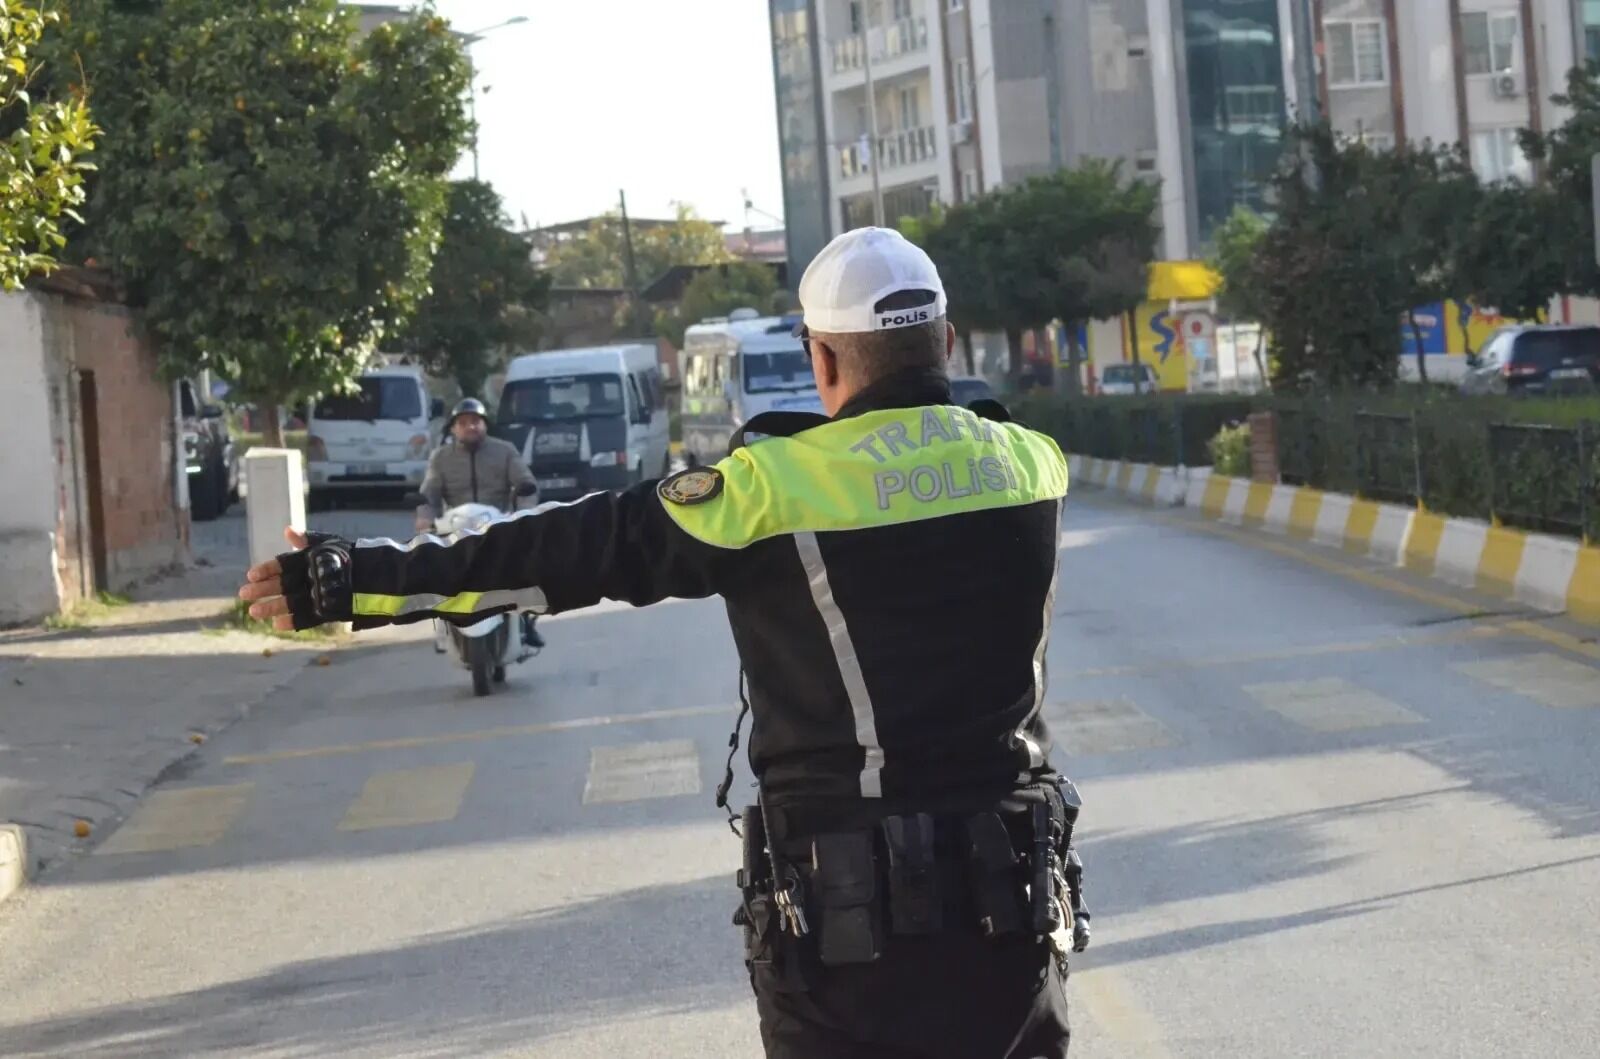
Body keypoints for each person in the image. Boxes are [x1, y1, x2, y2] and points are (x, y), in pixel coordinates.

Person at [240, 227, 1086, 1058]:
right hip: (1012, 911)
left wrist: (357, 579)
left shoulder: (772, 487)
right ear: (944, 338)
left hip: (851, 938)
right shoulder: (1032, 465)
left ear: (821, 359)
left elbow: (565, 551)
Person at [417, 397, 545, 649]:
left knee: (528, 569)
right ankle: (442, 626)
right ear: (454, 428)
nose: (470, 427)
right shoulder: (440, 458)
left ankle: (528, 624)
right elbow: (429, 492)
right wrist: (424, 517)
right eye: (463, 423)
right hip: (456, 529)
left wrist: (525, 510)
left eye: (475, 421)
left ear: (484, 425)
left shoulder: (505, 450)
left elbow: (525, 483)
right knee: (432, 571)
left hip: (497, 525)